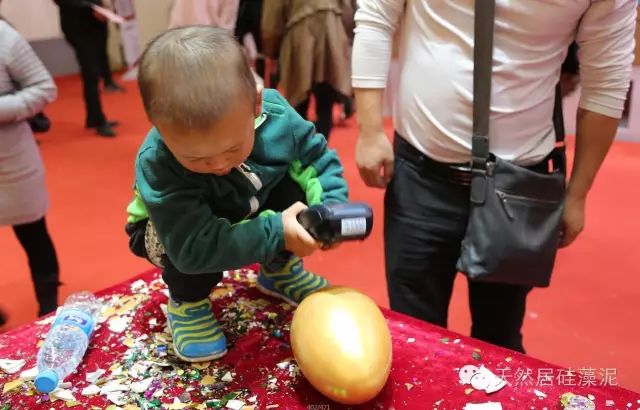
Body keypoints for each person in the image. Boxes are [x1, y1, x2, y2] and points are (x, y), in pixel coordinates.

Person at [352, 1, 635, 352]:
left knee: (500, 339)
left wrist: (578, 193)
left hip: (519, 185)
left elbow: (607, 80)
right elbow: (377, 15)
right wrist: (369, 130)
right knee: (413, 336)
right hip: (420, 172)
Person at [124, 27, 347, 362]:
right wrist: (277, 232)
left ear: (255, 104)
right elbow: (193, 249)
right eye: (196, 158)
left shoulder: (276, 116)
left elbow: (316, 161)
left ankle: (279, 271)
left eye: (232, 148)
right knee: (184, 252)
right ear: (159, 126)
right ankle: (187, 302)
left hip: (245, 200)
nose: (219, 165)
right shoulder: (157, 161)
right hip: (174, 233)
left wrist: (329, 208)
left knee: (295, 187)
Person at [0, 20, 60, 318]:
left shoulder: (5, 37)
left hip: (10, 161)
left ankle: (48, 309)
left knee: (33, 234)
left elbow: (44, 88)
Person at [262, 0, 352, 141]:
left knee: (298, 103)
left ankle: (303, 148)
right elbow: (348, 12)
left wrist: (271, 50)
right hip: (331, 34)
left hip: (299, 37)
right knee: (325, 103)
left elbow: (272, 20)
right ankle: (320, 148)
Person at [55, 0, 118, 137]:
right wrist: (91, 8)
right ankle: (98, 120)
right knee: (91, 73)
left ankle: (93, 118)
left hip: (96, 25)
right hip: (78, 27)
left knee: (94, 70)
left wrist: (103, 7)